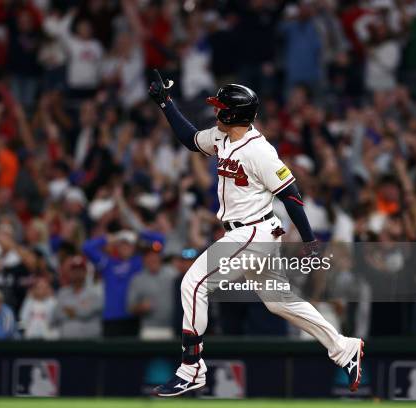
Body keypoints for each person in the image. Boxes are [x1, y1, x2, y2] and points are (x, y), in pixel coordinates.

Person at [148, 71, 364, 396]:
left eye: (220, 106)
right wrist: (166, 103)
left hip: (253, 233)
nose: (215, 110)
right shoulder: (221, 137)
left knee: (193, 284)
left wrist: (309, 240)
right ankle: (343, 346)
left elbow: (290, 193)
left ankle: (192, 367)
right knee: (278, 301)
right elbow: (190, 138)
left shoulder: (259, 150)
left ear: (233, 114)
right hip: (248, 232)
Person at [127, 240, 177, 340]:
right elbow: (130, 308)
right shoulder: (137, 279)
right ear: (144, 259)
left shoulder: (173, 274)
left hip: (173, 328)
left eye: (155, 255)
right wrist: (141, 307)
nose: (152, 259)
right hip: (149, 329)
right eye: (148, 256)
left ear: (160, 258)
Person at [55, 256, 102, 339]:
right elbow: (57, 314)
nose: (77, 272)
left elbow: (87, 313)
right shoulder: (62, 293)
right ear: (70, 273)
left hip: (90, 343)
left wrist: (70, 311)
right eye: (74, 270)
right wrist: (79, 310)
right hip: (66, 342)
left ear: (85, 272)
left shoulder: (94, 292)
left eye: (80, 270)